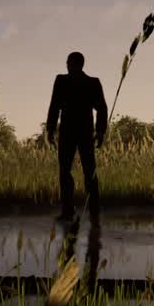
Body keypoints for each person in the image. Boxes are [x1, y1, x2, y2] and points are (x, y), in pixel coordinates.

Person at [46, 51, 107, 220]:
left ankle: (69, 210)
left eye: (68, 62)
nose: (66, 65)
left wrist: (50, 129)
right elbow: (101, 108)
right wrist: (100, 131)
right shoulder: (92, 83)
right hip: (85, 132)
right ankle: (93, 210)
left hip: (68, 132)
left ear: (73, 63)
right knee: (89, 171)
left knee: (66, 171)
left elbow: (54, 106)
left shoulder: (61, 81)